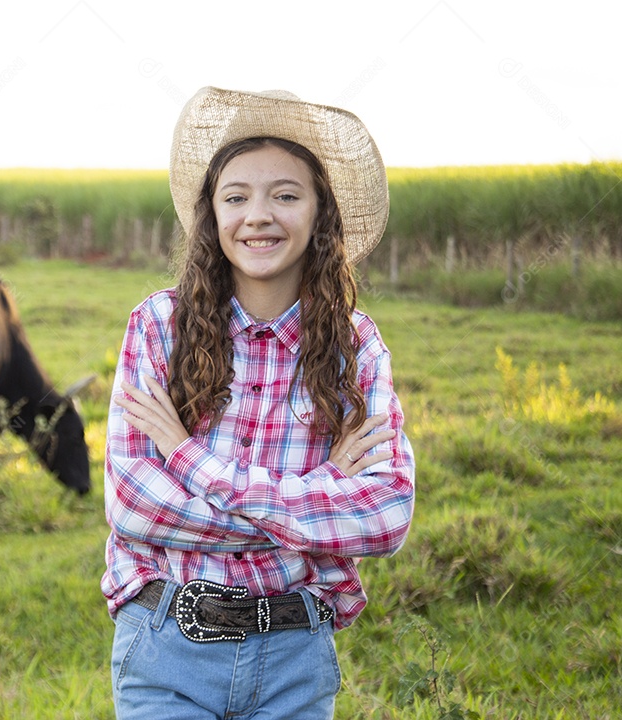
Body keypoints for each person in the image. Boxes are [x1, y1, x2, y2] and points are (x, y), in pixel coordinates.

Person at [102, 87, 415, 720]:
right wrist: (321, 494)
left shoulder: (356, 347)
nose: (259, 215)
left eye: (286, 195)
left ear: (319, 212)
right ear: (212, 215)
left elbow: (386, 516)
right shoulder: (160, 326)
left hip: (295, 656)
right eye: (237, 197)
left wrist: (191, 463)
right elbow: (134, 505)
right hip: (167, 646)